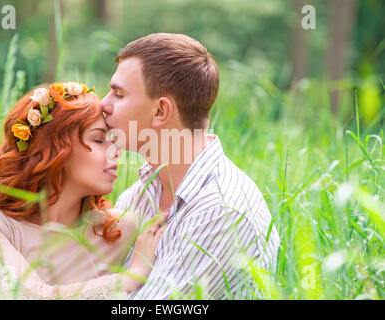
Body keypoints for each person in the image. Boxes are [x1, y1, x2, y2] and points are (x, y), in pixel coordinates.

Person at [101, 33, 281, 299]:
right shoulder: (142, 192)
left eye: (118, 94)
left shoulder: (222, 211)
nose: (103, 104)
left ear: (161, 111)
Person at [0, 82, 166, 299]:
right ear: (55, 148)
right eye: (99, 139)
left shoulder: (119, 230)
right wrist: (131, 278)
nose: (115, 153)